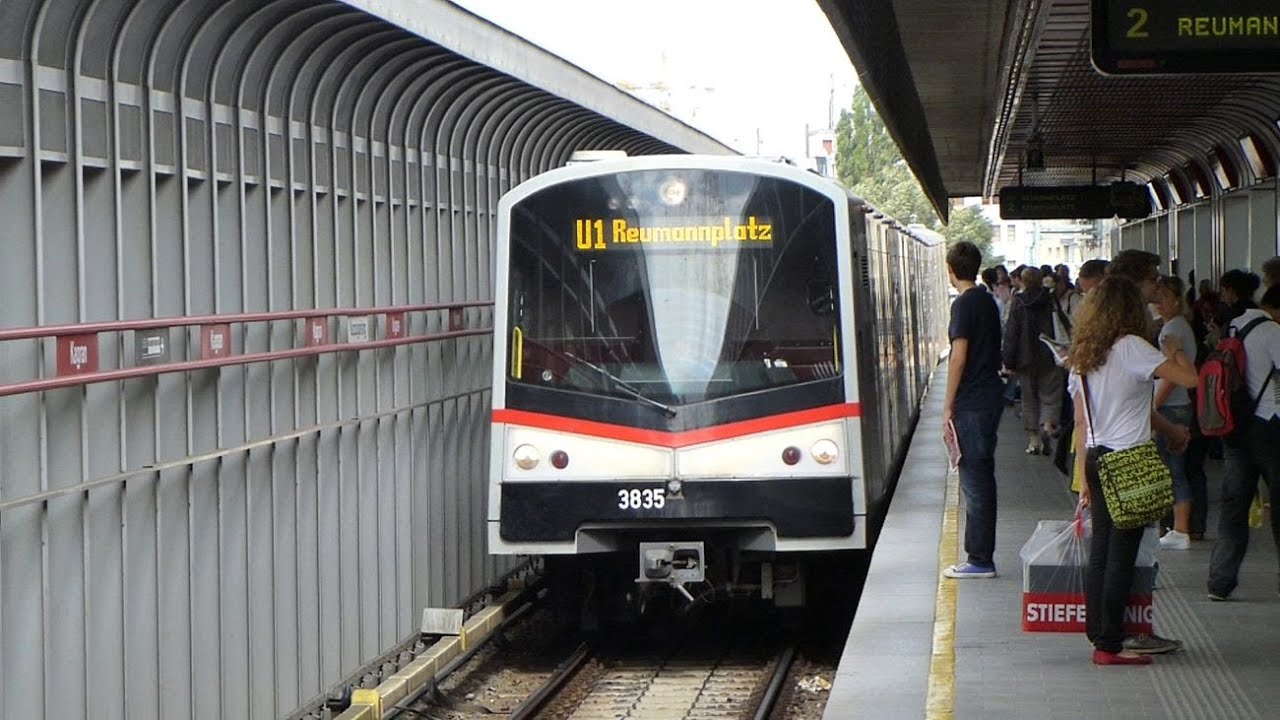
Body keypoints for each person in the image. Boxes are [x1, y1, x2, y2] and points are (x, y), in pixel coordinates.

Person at [1069, 276, 1199, 665]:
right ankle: (1108, 644)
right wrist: (1175, 351)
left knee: (1102, 552)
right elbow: (1190, 379)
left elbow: (1082, 421)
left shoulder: (1084, 353)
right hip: (1128, 460)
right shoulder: (1131, 348)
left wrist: (1082, 478)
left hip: (1096, 457)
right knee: (1120, 554)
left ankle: (1100, 635)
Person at [1206, 278, 1280, 601]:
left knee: (1234, 505)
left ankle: (1220, 582)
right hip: (1268, 427)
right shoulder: (1272, 331)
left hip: (1234, 426)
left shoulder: (1234, 326)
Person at [941, 241, 1005, 579]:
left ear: (951, 270)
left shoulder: (963, 305)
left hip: (972, 403)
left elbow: (959, 357)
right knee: (983, 478)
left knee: (975, 482)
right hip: (990, 396)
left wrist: (947, 405)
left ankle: (980, 559)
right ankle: (982, 555)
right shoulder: (988, 301)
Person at [1151, 276, 1198, 550]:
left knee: (1172, 467)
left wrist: (1155, 404)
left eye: (1164, 298)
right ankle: (1179, 527)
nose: (1159, 304)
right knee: (1174, 466)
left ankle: (1180, 529)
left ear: (1177, 300)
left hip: (1172, 405)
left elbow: (1173, 374)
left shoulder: (1172, 329)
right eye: (1157, 298)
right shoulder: (1180, 326)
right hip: (1180, 403)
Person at [1003, 267, 1064, 454]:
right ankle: (1047, 426)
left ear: (1022, 281)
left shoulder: (1018, 302)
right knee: (1051, 396)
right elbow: (1063, 324)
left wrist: (1009, 360)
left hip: (1025, 358)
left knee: (1028, 400)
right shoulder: (1050, 299)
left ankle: (1034, 440)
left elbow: (1011, 334)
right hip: (1049, 354)